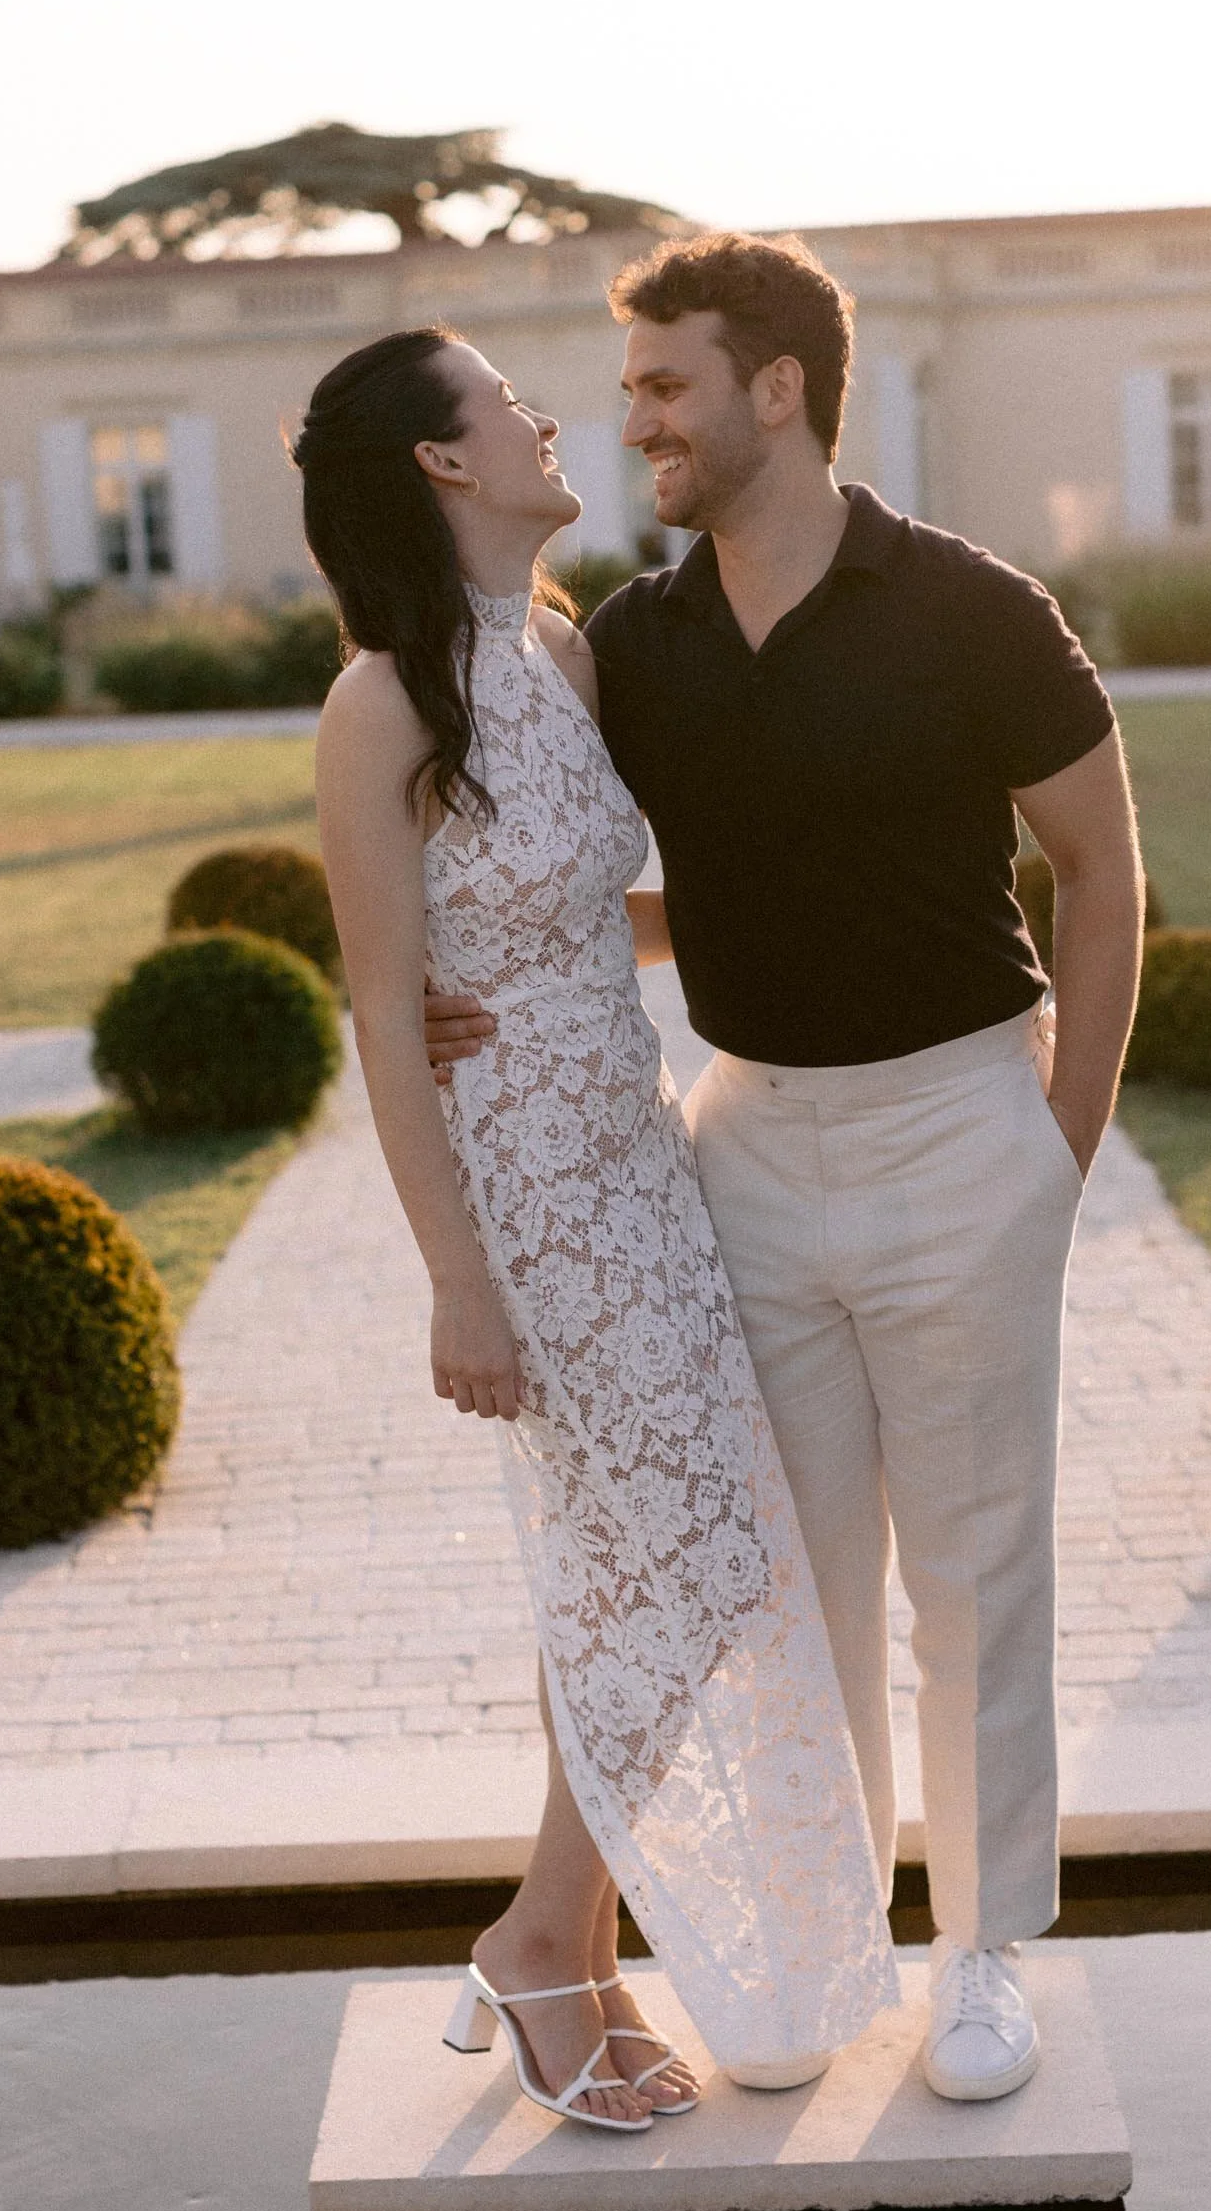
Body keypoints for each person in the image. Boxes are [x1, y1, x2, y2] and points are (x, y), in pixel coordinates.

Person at [426, 232, 1145, 2103]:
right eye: (630, 385)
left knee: (973, 1571)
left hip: (957, 1125)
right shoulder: (636, 650)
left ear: (776, 390)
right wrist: (464, 983)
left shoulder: (976, 609)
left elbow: (1097, 870)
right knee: (788, 1580)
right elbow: (584, 876)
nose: (633, 418)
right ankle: (822, 1949)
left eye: (666, 385)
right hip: (741, 1143)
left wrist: (1054, 1146)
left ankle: (979, 1955)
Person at [303, 327, 896, 2136]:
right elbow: (386, 1015)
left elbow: (579, 909)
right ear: (441, 462)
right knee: (668, 1549)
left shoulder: (556, 648)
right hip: (529, 1195)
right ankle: (550, 1933)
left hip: (638, 1155)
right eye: (508, 400)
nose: (552, 416)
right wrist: (456, 1286)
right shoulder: (383, 702)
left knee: (689, 1549)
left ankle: (550, 1929)